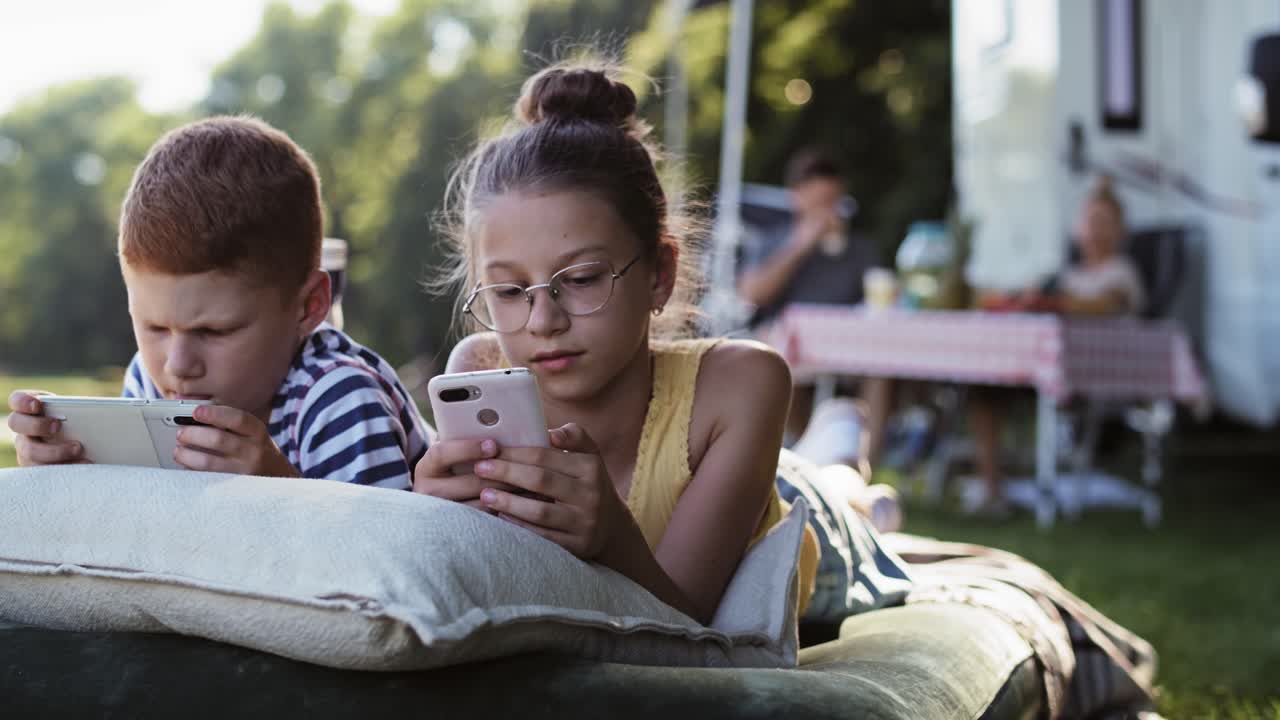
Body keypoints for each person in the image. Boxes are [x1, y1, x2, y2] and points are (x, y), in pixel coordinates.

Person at [412, 62, 911, 625]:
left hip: (803, 528)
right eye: (507, 289)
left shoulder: (745, 382)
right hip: (742, 471)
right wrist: (438, 524)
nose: (542, 320)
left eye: (580, 280)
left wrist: (613, 538)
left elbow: (692, 629)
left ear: (661, 273)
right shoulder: (481, 368)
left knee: (841, 496)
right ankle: (836, 448)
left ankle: (852, 469)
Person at [7, 116, 431, 489]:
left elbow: (386, 556)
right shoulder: (150, 382)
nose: (177, 365)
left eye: (213, 331)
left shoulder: (340, 397)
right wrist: (66, 468)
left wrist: (279, 489)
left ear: (308, 307)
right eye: (154, 328)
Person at [966, 176, 1146, 516]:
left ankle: (1020, 490)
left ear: (1119, 231)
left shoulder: (1122, 272)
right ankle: (992, 491)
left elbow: (1105, 306)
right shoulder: (1068, 274)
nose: (1094, 231)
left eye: (1104, 223)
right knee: (984, 389)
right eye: (1090, 221)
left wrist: (1054, 301)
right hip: (1046, 370)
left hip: (1095, 374)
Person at [734, 148, 891, 465]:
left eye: (833, 203)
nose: (828, 212)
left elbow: (880, 297)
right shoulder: (776, 240)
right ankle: (805, 451)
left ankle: (866, 463)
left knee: (882, 366)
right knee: (775, 361)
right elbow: (752, 293)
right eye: (820, 202)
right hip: (792, 345)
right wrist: (802, 244)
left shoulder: (860, 249)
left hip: (850, 345)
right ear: (797, 197)